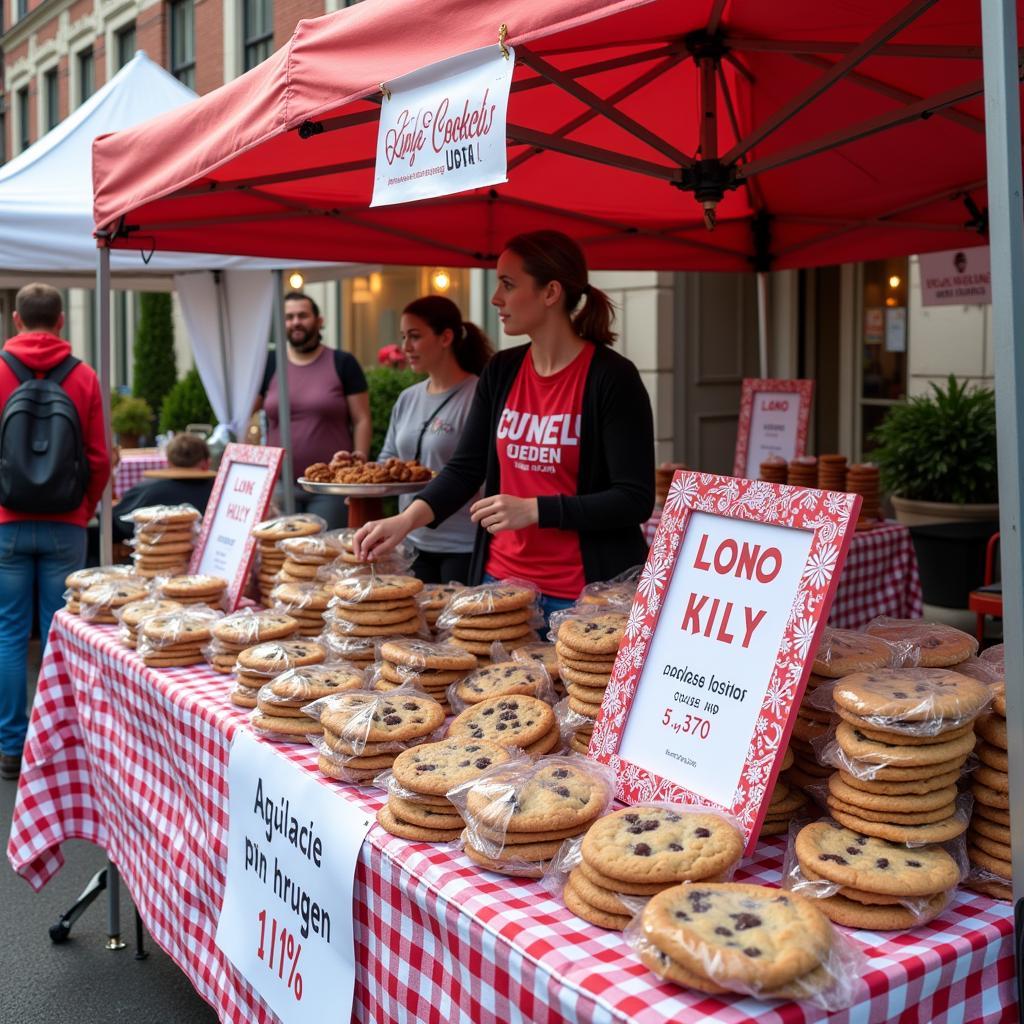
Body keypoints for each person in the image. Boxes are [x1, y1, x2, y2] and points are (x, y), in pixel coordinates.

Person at [354, 230, 655, 621]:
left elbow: (634, 499)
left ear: (551, 293)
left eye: (508, 285)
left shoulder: (612, 377)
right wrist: (405, 519)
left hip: (585, 598)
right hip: (500, 585)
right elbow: (465, 469)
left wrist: (535, 510)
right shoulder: (502, 371)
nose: (496, 298)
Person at [0, 283, 111, 780]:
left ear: (17, 321)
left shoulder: (0, 369)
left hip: (7, 523)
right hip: (67, 522)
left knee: (7, 632)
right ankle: (58, 746)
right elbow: (99, 457)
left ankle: (9, 746)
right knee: (60, 634)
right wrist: (82, 507)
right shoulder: (83, 376)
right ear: (62, 321)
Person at [377, 296, 493, 583]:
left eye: (415, 337)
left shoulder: (477, 395)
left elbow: (480, 473)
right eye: (403, 337)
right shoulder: (408, 398)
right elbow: (386, 461)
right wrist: (353, 472)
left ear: (446, 337)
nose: (405, 348)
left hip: (461, 544)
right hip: (411, 541)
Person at [254, 292, 371, 527]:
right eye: (289, 317)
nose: (296, 322)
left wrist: (358, 475)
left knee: (325, 553)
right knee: (283, 555)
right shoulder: (269, 364)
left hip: (330, 485)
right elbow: (244, 414)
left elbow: (362, 419)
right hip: (279, 483)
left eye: (302, 315)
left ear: (319, 321)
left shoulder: (343, 363)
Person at [112, 433, 215, 541]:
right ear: (207, 462)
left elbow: (118, 524)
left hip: (147, 554)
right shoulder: (220, 493)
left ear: (168, 462)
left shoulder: (145, 491)